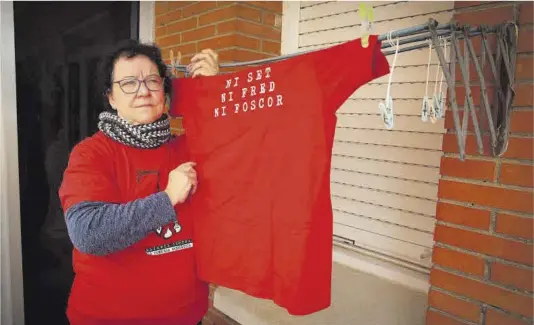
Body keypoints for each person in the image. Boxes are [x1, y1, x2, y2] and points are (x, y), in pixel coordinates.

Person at [58, 40, 219, 325]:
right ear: (111, 97)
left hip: (187, 316)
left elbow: (243, 157)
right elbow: (89, 233)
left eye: (152, 81)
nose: (143, 91)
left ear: (164, 92)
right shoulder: (91, 153)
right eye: (129, 83)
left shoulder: (192, 147)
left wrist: (213, 93)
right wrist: (167, 198)